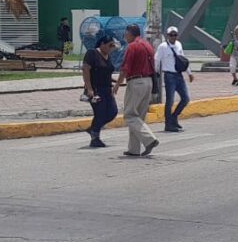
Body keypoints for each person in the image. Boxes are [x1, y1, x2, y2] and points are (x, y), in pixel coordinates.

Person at [113, 24, 159, 157]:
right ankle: (133, 149)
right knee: (138, 117)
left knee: (129, 115)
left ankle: (149, 139)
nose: (124, 36)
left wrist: (117, 84)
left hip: (136, 81)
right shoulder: (147, 45)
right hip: (148, 81)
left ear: (130, 33)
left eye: (125, 33)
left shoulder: (132, 46)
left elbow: (125, 68)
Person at [82, 34, 119, 148]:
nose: (111, 48)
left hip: (107, 89)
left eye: (112, 46)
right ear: (102, 44)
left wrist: (116, 81)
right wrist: (89, 89)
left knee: (112, 112)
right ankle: (95, 138)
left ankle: (93, 128)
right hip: (96, 90)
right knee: (100, 113)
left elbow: (105, 72)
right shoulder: (92, 53)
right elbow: (86, 70)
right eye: (109, 45)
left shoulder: (108, 56)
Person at [155, 26, 194, 132]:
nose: (173, 37)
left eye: (175, 35)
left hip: (179, 75)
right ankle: (168, 124)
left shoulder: (179, 45)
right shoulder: (162, 47)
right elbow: (157, 60)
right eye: (171, 35)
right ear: (167, 36)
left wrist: (189, 73)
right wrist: (156, 72)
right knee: (170, 101)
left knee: (185, 98)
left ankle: (174, 117)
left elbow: (183, 59)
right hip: (169, 76)